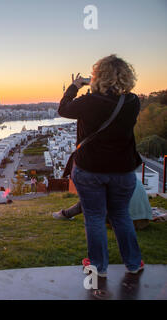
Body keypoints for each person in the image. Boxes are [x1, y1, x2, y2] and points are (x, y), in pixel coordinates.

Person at [58, 54, 144, 277]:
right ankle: (134, 263)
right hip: (123, 170)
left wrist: (76, 86)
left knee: (94, 217)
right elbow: (111, 104)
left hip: (90, 169)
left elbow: (64, 109)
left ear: (97, 77)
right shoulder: (133, 102)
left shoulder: (89, 102)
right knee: (121, 216)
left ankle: (98, 267)